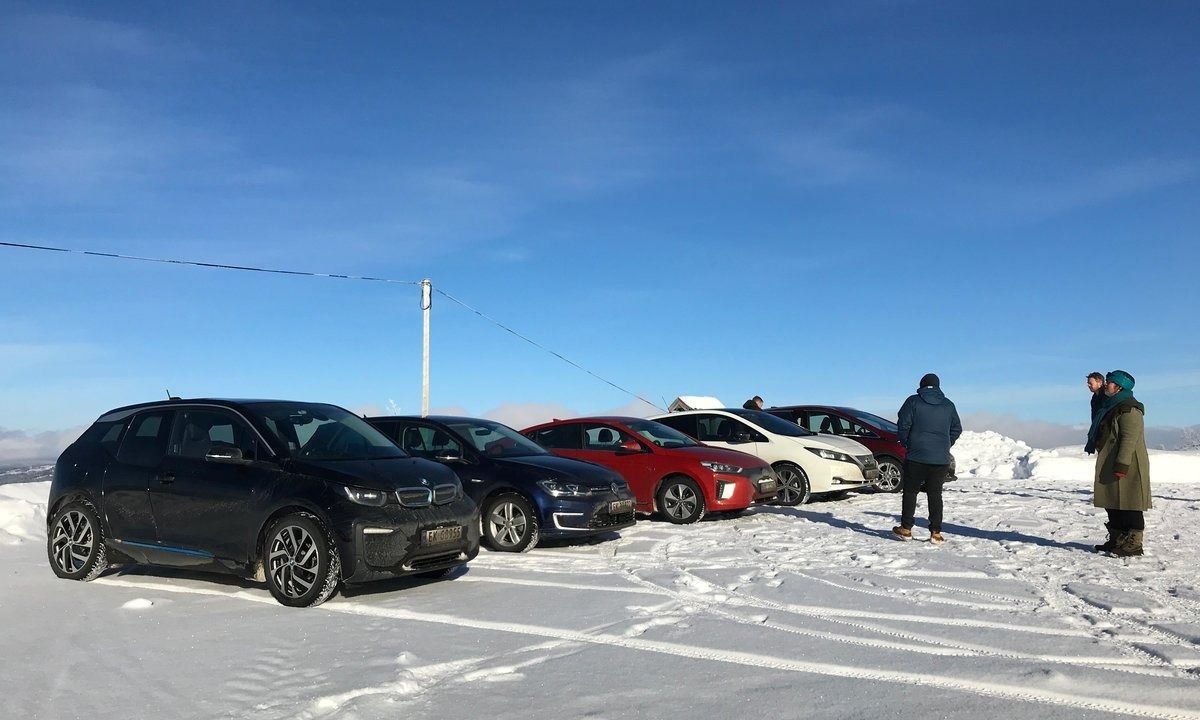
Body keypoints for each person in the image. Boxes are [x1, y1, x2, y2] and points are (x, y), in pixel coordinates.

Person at [1087, 370, 1151, 556]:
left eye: (1109, 382)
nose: (1106, 385)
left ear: (1119, 387)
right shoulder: (1111, 405)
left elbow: (1129, 439)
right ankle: (1117, 538)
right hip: (1110, 459)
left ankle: (1134, 543)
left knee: (1130, 503)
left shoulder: (1130, 408)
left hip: (1128, 462)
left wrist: (1122, 464)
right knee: (1112, 501)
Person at [892, 373, 961, 544]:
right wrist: (945, 444)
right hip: (940, 459)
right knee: (935, 494)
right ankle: (936, 533)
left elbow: (903, 425)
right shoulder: (948, 405)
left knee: (910, 492)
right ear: (937, 386)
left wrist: (908, 443)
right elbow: (956, 429)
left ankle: (906, 529)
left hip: (916, 456)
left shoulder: (913, 401)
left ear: (922, 385)